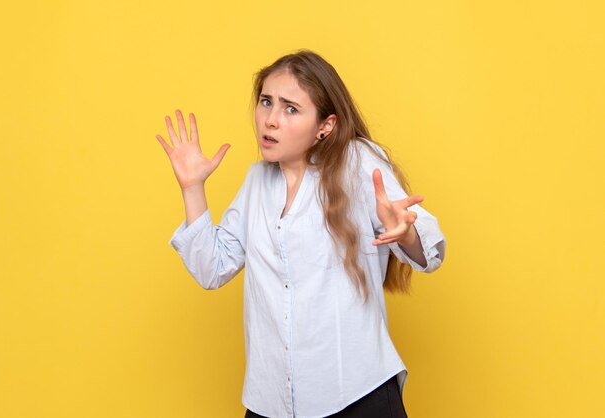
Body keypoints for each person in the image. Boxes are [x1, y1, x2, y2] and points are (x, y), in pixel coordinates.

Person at [156, 49, 447, 418]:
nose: (270, 120)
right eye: (266, 102)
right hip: (271, 402)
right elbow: (211, 269)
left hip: (356, 396)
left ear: (325, 126)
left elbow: (430, 249)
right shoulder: (257, 182)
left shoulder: (357, 162)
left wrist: (405, 233)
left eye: (290, 108)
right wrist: (192, 187)